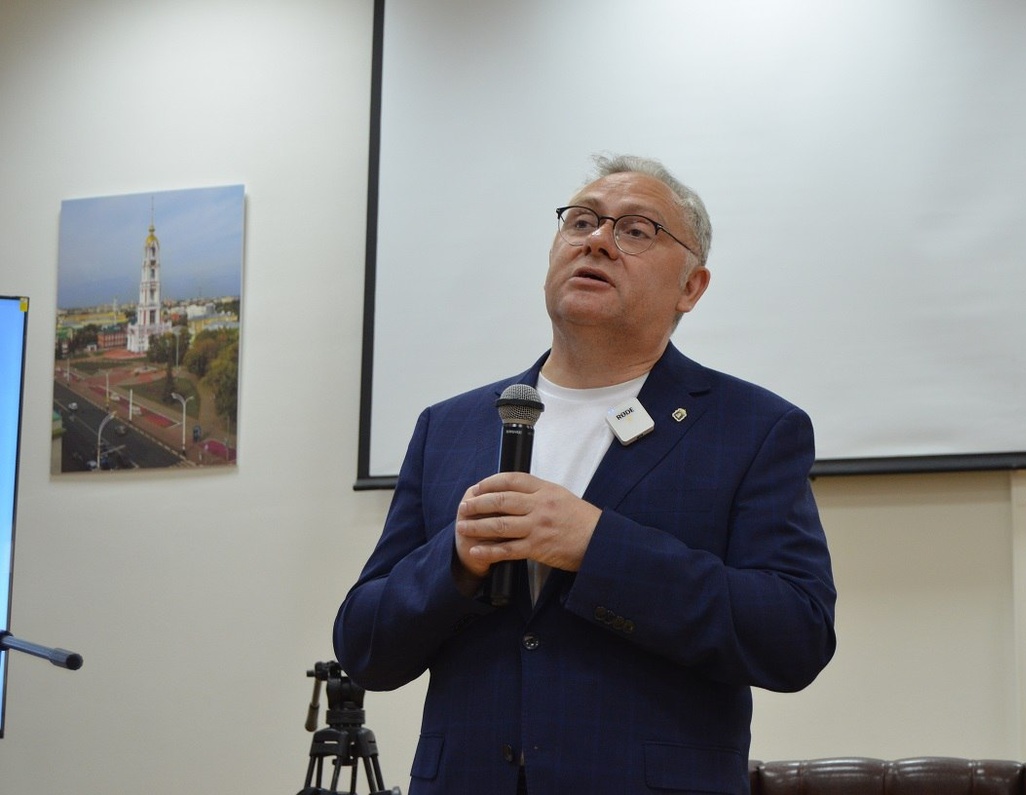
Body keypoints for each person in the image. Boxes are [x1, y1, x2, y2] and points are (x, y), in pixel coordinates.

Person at [333, 154, 836, 795]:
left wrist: (598, 547)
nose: (597, 240)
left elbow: (794, 636)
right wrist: (455, 561)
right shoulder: (450, 427)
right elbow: (364, 647)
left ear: (691, 287)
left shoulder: (752, 427)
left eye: (636, 230)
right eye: (580, 222)